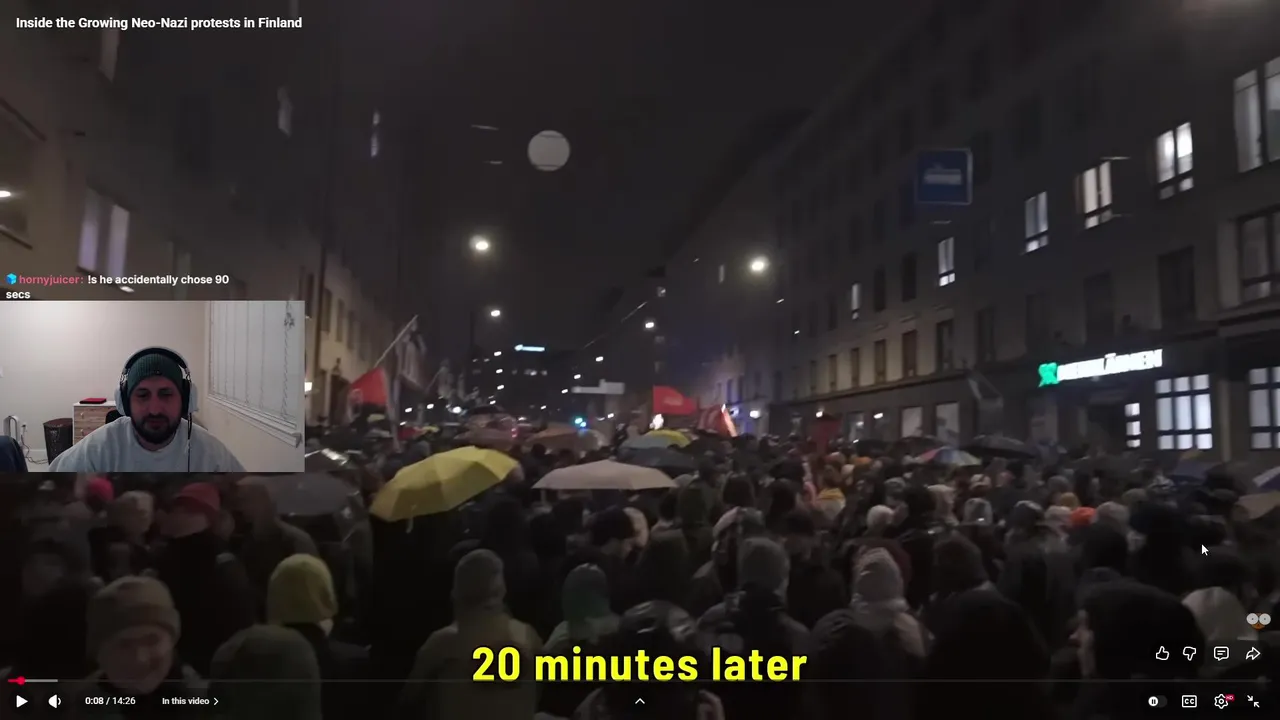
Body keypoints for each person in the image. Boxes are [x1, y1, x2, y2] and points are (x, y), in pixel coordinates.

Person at [50, 349, 245, 472]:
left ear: (185, 400)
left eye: (166, 394)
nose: (154, 410)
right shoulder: (100, 448)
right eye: (143, 395)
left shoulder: (210, 453)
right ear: (125, 402)